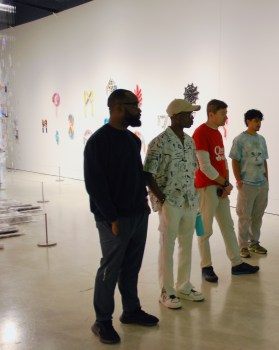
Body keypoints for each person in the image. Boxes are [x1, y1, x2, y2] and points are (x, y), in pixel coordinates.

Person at [84, 89, 158, 344]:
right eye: (134, 106)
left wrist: (144, 203)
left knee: (132, 267)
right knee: (110, 269)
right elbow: (95, 185)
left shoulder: (132, 140)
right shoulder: (98, 142)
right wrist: (111, 218)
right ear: (117, 108)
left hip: (138, 213)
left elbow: (136, 175)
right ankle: (102, 321)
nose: (139, 110)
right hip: (114, 219)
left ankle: (131, 310)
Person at [143, 99, 204, 309]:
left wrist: (195, 196)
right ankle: (166, 291)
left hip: (189, 200)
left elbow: (193, 170)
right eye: (188, 114)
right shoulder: (158, 142)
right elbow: (148, 174)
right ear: (176, 116)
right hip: (170, 201)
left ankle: (183, 286)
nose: (192, 117)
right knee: (166, 247)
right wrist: (161, 199)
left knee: (186, 244)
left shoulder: (190, 141)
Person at [192, 99, 259, 282]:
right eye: (222, 113)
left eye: (226, 113)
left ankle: (237, 263)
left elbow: (221, 161)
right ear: (211, 114)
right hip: (206, 188)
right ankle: (206, 266)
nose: (226, 117)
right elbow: (204, 166)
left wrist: (225, 184)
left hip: (219, 187)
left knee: (227, 226)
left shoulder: (217, 133)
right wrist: (224, 183)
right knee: (205, 230)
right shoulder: (200, 133)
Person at [229, 109, 269, 258]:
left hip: (261, 184)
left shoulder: (262, 139)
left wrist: (267, 181)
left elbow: (264, 161)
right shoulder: (240, 139)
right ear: (248, 121)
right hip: (247, 184)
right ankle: (243, 245)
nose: (259, 124)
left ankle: (254, 243)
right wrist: (239, 182)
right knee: (244, 216)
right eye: (256, 121)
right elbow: (234, 161)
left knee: (257, 216)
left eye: (260, 121)